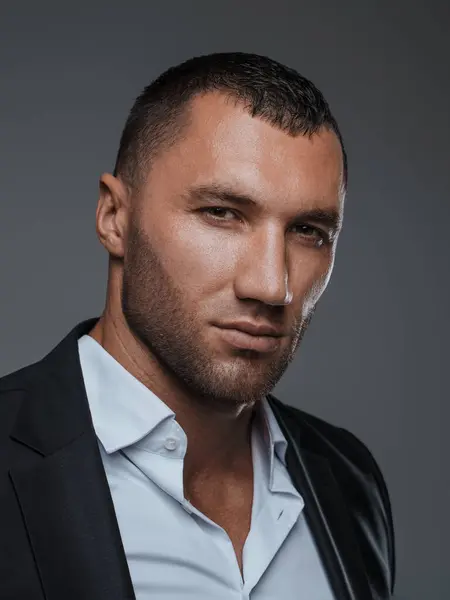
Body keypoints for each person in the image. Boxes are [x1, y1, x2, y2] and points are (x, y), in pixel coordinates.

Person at [0, 52, 395, 600]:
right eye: (222, 213)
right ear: (115, 217)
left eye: (308, 231)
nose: (271, 286)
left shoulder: (350, 480)